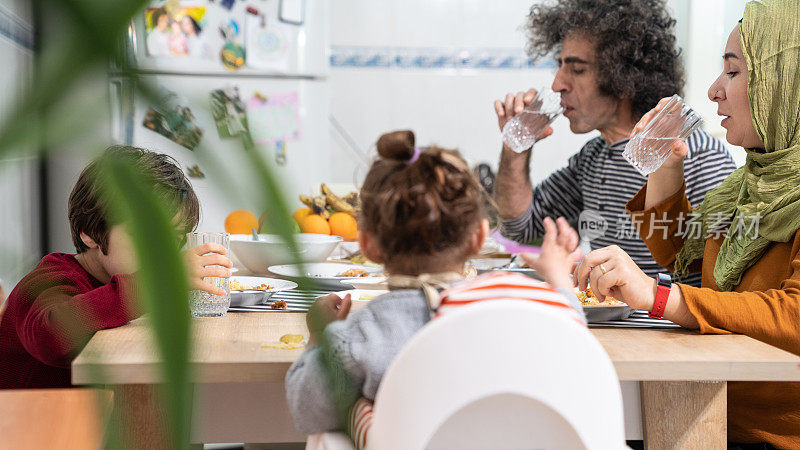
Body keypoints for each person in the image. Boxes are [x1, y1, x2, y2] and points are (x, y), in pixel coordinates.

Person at [574, 1, 800, 446]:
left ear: (785, 83)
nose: (714, 89)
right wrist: (664, 169)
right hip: (709, 408)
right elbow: (685, 258)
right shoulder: (753, 182)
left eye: (733, 72)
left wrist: (659, 298)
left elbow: (794, 316)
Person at [285, 131, 585, 442]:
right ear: (480, 237)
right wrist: (559, 278)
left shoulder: (362, 335)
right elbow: (572, 331)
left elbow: (307, 408)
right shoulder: (521, 312)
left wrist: (321, 335)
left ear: (367, 245)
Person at [494, 0, 736, 287]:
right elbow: (518, 230)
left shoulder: (701, 156)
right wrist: (515, 147)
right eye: (560, 66)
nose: (558, 83)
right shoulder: (593, 159)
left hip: (667, 331)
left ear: (623, 76)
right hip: (606, 329)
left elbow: (723, 279)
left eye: (577, 70)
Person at [0, 146, 232, 389]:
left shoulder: (119, 279)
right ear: (90, 233)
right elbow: (49, 336)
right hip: (29, 422)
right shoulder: (49, 280)